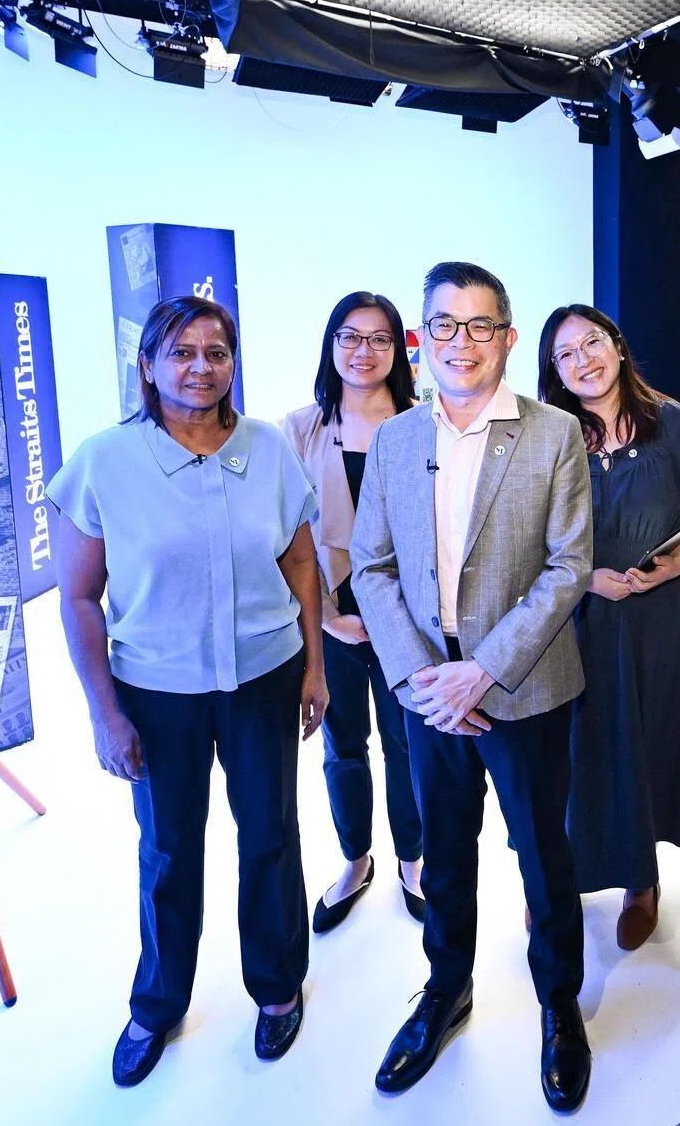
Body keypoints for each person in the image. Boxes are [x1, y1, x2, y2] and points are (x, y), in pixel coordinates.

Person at [49, 296, 328, 1087]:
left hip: (264, 677)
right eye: (181, 352)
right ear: (147, 365)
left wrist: (314, 666)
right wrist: (105, 715)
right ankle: (159, 1002)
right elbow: (79, 598)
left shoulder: (268, 448)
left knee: (269, 834)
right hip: (157, 690)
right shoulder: (104, 460)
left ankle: (277, 987)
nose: (200, 367)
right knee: (169, 848)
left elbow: (301, 564)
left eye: (216, 352)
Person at [352, 262, 593, 1111]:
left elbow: (570, 565)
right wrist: (425, 676)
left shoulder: (554, 433)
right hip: (428, 691)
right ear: (422, 339)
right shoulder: (395, 440)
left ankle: (559, 1004)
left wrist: (483, 670)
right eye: (445, 325)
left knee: (543, 853)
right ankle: (446, 991)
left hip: (523, 686)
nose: (463, 341)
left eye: (480, 324)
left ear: (508, 337)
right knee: (445, 854)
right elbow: (372, 566)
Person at [538, 304, 680, 953]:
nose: (583, 360)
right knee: (577, 748)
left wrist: (673, 563)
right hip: (577, 616)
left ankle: (641, 882)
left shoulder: (671, 420)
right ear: (555, 371)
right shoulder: (550, 435)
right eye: (566, 354)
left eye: (592, 343)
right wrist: (586, 578)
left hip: (662, 614)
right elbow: (534, 536)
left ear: (618, 346)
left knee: (647, 740)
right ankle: (562, 875)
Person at [283, 292, 423, 935]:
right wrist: (328, 618)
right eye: (350, 336)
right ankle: (356, 859)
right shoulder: (299, 429)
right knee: (343, 746)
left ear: (397, 349)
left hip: (410, 618)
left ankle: (413, 861)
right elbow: (287, 537)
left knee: (407, 744)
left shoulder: (424, 423)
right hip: (329, 614)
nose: (364, 351)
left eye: (379, 338)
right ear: (331, 345)